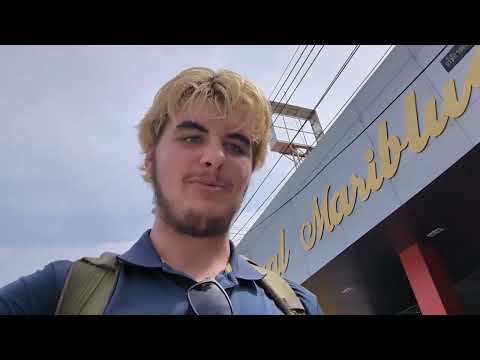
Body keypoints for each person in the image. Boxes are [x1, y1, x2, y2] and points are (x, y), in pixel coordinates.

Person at [0, 67, 323, 315]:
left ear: (250, 168)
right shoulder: (60, 291)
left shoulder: (297, 304)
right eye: (192, 138)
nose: (214, 157)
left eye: (236, 145)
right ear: (151, 158)